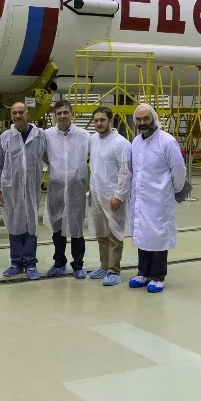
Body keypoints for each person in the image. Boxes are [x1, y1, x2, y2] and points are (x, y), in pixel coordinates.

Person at [129, 102, 186, 292]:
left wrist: (173, 191)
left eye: (146, 118)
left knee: (158, 236)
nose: (143, 122)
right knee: (143, 235)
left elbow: (178, 169)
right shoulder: (136, 141)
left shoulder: (167, 141)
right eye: (139, 119)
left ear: (154, 118)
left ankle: (158, 276)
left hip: (159, 199)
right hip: (140, 199)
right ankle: (143, 273)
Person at [0, 101, 48, 279]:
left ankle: (31, 263)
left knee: (31, 224)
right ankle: (16, 262)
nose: (18, 116)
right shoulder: (5, 137)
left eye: (21, 112)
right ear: (11, 116)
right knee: (14, 223)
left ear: (28, 114)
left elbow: (49, 159)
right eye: (14, 113)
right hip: (11, 187)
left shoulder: (40, 135)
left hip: (32, 187)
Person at [86, 106, 132, 286]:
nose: (99, 123)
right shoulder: (93, 140)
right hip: (97, 193)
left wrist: (119, 195)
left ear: (110, 121)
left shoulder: (121, 143)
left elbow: (125, 172)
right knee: (101, 234)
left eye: (102, 120)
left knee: (114, 234)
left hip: (113, 196)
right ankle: (104, 266)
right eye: (96, 120)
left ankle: (114, 270)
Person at [44, 99, 90, 278]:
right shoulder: (47, 135)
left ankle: (78, 265)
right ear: (55, 116)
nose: (62, 116)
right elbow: (44, 156)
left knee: (76, 228)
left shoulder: (84, 135)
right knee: (58, 227)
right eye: (59, 113)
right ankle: (59, 262)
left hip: (76, 189)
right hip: (56, 188)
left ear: (72, 114)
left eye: (65, 112)